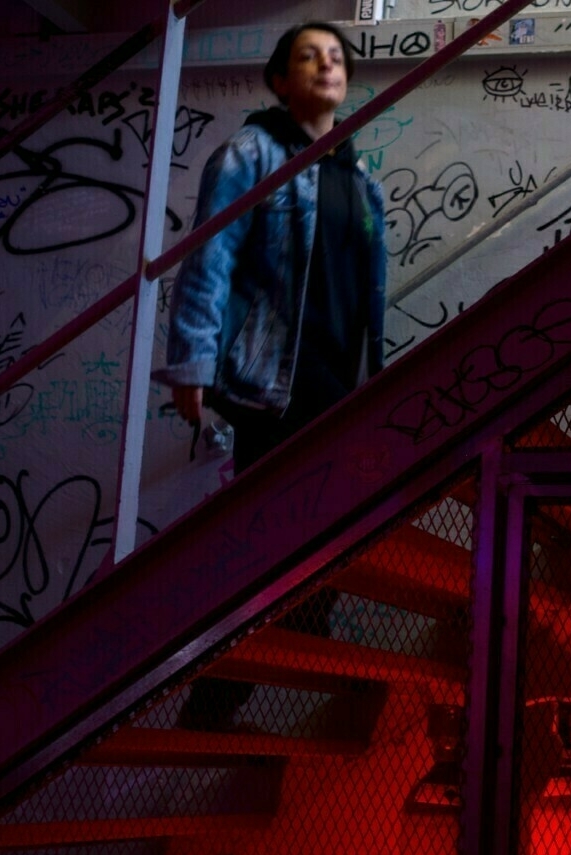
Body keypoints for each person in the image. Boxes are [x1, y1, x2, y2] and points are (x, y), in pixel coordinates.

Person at [157, 22, 388, 731]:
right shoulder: (249, 154)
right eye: (307, 57)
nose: (326, 65)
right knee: (266, 550)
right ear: (280, 81)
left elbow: (366, 300)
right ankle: (216, 701)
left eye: (336, 57)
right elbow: (210, 259)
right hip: (270, 384)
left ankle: (280, 660)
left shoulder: (364, 183)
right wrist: (191, 365)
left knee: (319, 549)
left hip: (340, 391)